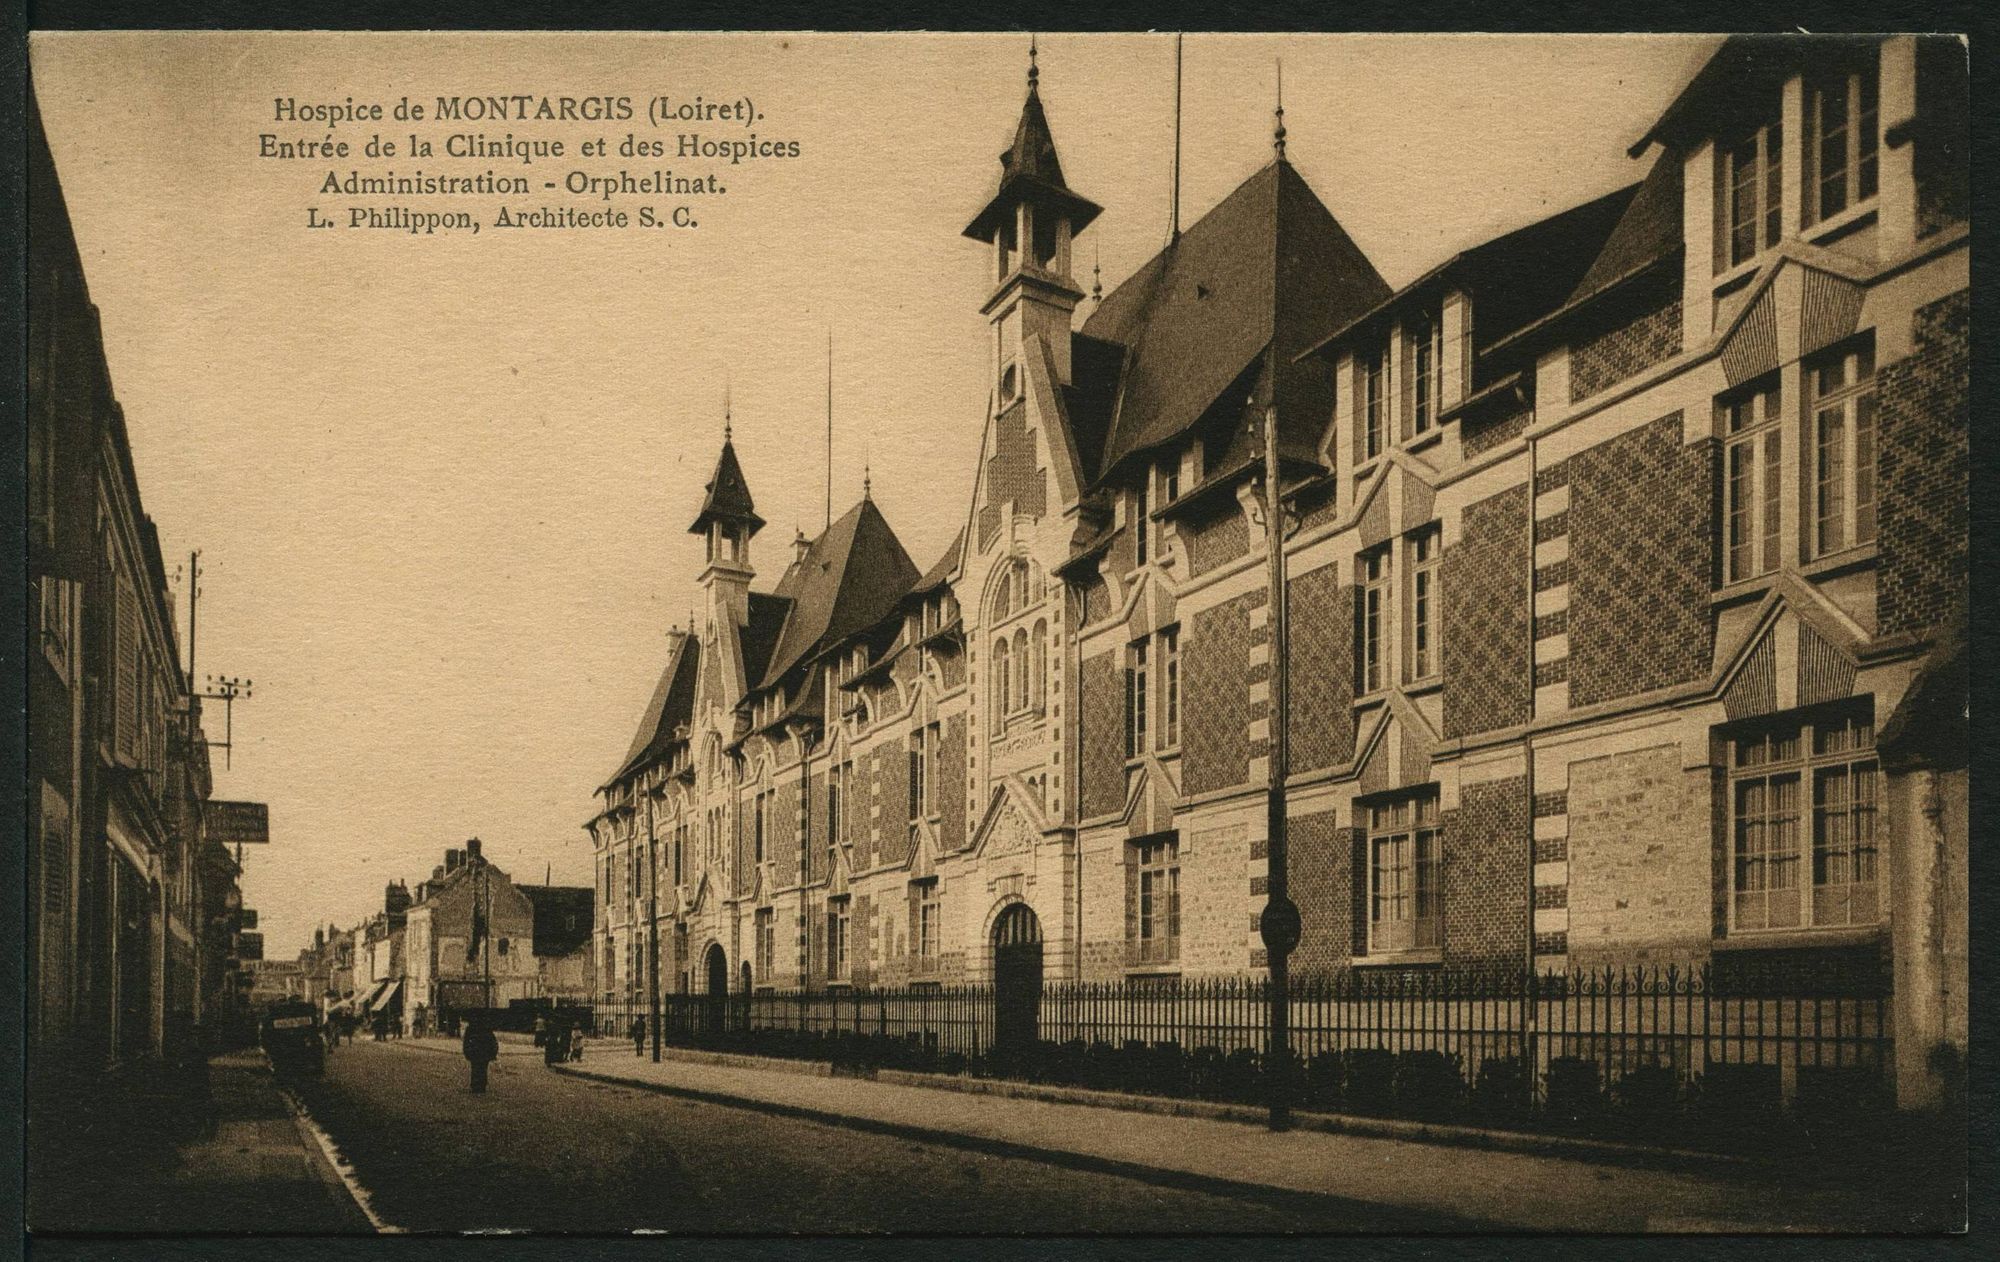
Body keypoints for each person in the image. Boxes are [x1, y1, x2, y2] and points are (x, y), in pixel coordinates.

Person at [463, 1014, 499, 1094]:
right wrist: (493, 1052)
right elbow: (492, 1041)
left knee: (476, 1068)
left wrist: (466, 1051)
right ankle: (481, 1085)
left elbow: (466, 1041)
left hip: (476, 1052)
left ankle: (476, 1086)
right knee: (482, 1069)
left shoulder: (471, 1028)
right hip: (483, 1052)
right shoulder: (486, 1028)